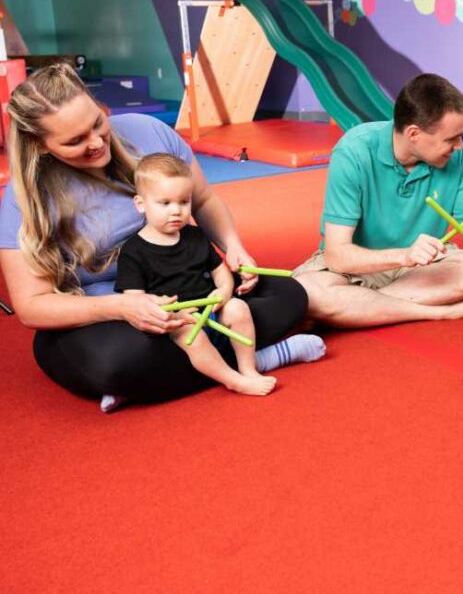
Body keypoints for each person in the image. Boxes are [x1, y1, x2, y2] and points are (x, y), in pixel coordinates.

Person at [0, 64, 321, 411]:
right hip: (111, 313)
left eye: (97, 123)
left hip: (190, 289)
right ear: (42, 145)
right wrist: (123, 307)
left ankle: (161, 380)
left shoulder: (149, 132)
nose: (95, 142)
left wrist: (233, 247)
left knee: (290, 294)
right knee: (114, 363)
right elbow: (32, 306)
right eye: (75, 141)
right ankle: (255, 357)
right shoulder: (24, 199)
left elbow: (202, 200)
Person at [295, 73, 463, 327]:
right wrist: (406, 256)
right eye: (451, 139)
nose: (460, 146)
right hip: (355, 268)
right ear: (414, 134)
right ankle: (440, 311)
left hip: (423, 269)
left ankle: (358, 309)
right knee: (309, 289)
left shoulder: (456, 159)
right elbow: (337, 255)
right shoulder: (353, 151)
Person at [116, 153, 280, 397]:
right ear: (141, 204)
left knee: (238, 308)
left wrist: (224, 292)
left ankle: (249, 369)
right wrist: (174, 314)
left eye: (184, 202)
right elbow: (135, 300)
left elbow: (219, 271)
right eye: (165, 203)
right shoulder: (133, 251)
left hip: (210, 310)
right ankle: (232, 380)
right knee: (190, 336)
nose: (176, 211)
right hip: (176, 320)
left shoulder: (195, 236)